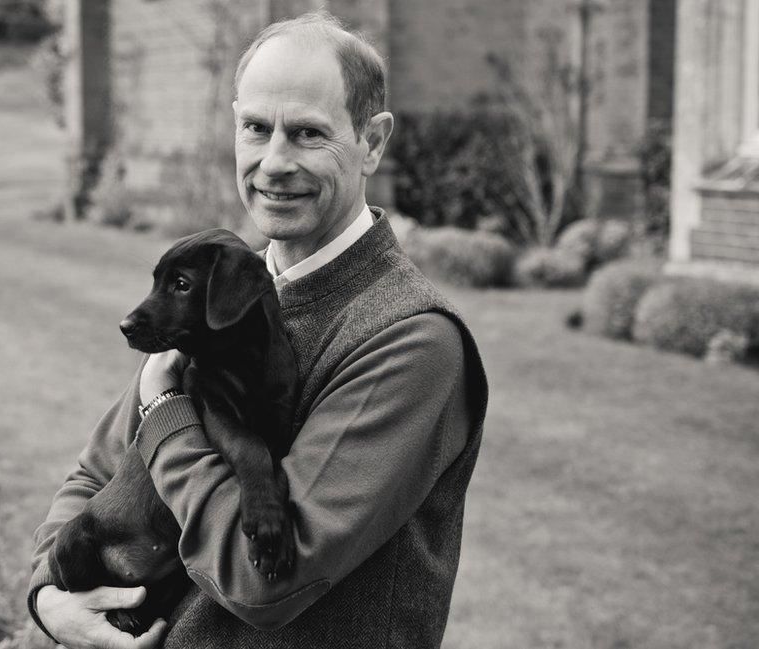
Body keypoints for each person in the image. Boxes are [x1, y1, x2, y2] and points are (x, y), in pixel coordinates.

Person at [28, 11, 488, 649]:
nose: (274, 162)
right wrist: (50, 596)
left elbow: (267, 580)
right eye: (256, 128)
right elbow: (94, 477)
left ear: (373, 142)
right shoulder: (216, 299)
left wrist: (165, 411)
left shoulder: (410, 342)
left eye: (306, 133)